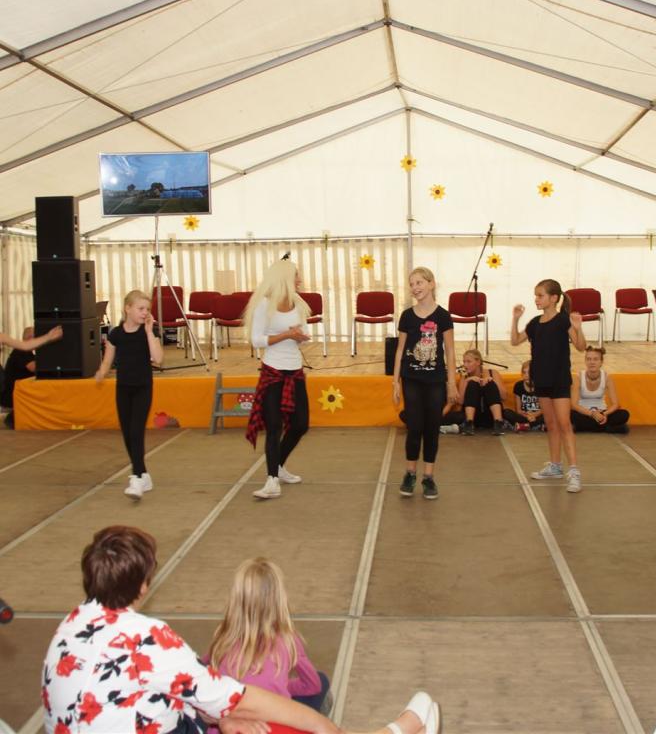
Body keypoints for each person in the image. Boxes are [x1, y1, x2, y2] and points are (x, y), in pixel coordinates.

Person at [41, 526, 439, 734]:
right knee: (289, 724)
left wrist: (216, 719)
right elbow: (238, 696)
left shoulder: (71, 625)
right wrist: (320, 724)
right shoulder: (149, 638)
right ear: (143, 585)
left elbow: (169, 691)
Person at [207, 558, 331, 721]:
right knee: (321, 680)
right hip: (274, 724)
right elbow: (313, 685)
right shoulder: (289, 640)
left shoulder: (223, 639)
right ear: (280, 601)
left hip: (227, 724)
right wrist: (283, 686)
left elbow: (201, 668)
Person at [510, 279, 586, 493]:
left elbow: (581, 347)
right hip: (541, 379)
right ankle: (555, 466)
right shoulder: (535, 323)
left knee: (564, 424)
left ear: (554, 298)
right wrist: (515, 319)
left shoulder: (563, 321)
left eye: (540, 295)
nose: (536, 299)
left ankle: (574, 471)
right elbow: (515, 340)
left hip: (559, 379)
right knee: (551, 424)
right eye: (536, 295)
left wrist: (578, 328)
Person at [245, 260, 310, 501]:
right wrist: (286, 334)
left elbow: (302, 334)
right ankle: (272, 479)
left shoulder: (299, 303)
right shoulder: (264, 304)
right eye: (296, 276)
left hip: (295, 371)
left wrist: (300, 336)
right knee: (274, 427)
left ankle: (279, 466)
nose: (299, 280)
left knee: (301, 424)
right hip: (273, 372)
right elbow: (256, 340)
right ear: (284, 278)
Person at [393, 267, 458, 500]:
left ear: (431, 284)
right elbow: (400, 350)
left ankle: (428, 476)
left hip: (435, 380)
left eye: (419, 282)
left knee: (432, 428)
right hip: (411, 379)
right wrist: (395, 382)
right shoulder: (407, 316)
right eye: (412, 284)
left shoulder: (443, 316)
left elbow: (450, 350)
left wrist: (451, 382)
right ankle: (410, 473)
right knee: (415, 427)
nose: (415, 287)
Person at [95, 290, 163, 499]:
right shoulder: (116, 334)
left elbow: (158, 359)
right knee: (127, 434)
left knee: (136, 431)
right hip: (123, 388)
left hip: (143, 388)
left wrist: (150, 332)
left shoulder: (148, 332)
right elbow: (108, 360)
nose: (145, 313)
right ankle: (143, 475)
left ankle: (136, 477)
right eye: (141, 309)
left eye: (147, 309)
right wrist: (101, 372)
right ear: (128, 309)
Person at [570, 346, 630, 434]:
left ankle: (583, 428)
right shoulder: (577, 377)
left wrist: (604, 414)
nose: (592, 362)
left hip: (602, 413)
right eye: (589, 359)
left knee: (624, 414)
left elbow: (616, 404)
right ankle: (606, 428)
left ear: (601, 362)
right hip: (584, 413)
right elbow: (574, 405)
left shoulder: (607, 378)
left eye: (595, 359)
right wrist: (592, 414)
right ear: (585, 361)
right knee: (570, 414)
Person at [457, 348, 507, 435]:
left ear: (478, 362)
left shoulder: (493, 373)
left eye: (469, 362)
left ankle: (498, 423)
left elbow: (504, 396)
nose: (465, 365)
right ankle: (469, 423)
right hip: (475, 416)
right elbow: (460, 401)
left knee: (489, 383)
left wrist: (492, 381)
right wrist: (468, 381)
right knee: (472, 384)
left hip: (490, 415)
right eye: (464, 362)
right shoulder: (464, 377)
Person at [1, 327, 37, 429]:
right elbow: (33, 367)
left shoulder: (28, 353)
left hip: (21, 392)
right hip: (12, 394)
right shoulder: (20, 351)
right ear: (30, 338)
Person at [504, 359, 544, 431]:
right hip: (524, 416)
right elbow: (518, 410)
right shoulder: (518, 386)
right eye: (524, 372)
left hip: (538, 415)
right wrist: (525, 415)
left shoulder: (541, 386)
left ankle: (527, 426)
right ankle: (537, 426)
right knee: (506, 412)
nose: (526, 375)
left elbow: (544, 408)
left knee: (550, 413)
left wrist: (534, 415)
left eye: (529, 372)